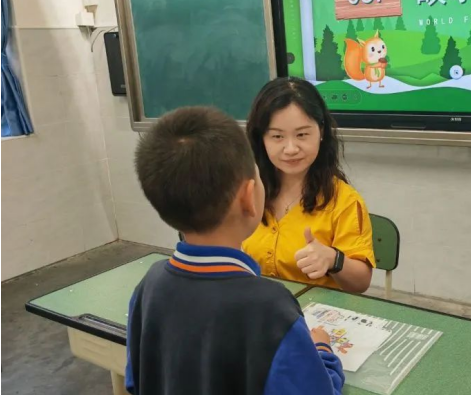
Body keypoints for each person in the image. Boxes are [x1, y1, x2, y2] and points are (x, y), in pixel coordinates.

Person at [126, 106, 344, 395]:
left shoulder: (149, 284)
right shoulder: (270, 308)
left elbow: (136, 380)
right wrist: (323, 352)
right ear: (248, 198)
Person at [243, 77, 375, 293]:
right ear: (261, 138)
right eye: (277, 136)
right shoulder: (246, 190)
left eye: (302, 134)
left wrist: (333, 259)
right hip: (255, 306)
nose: (291, 148)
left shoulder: (344, 201)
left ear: (321, 131)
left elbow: (360, 283)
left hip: (312, 312)